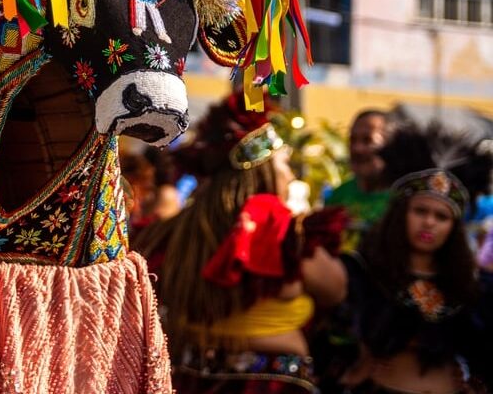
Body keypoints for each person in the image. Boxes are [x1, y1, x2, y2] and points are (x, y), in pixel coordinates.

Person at [138, 92, 347, 393]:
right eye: (284, 165)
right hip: (269, 386)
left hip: (188, 381)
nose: (290, 176)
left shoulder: (172, 234)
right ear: (263, 173)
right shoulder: (286, 234)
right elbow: (336, 290)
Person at [339, 123, 493, 394]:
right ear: (401, 215)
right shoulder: (366, 275)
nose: (429, 223)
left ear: (453, 227)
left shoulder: (470, 287)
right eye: (420, 211)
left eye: (441, 216)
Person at [325, 110, 393, 251]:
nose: (357, 149)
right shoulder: (338, 195)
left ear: (390, 146)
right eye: (352, 140)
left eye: (368, 140)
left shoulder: (401, 199)